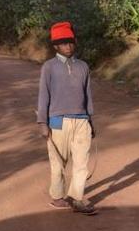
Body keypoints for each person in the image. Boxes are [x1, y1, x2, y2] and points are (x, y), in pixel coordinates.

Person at [36, 21, 97, 215]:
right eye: (63, 43)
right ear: (55, 46)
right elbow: (43, 95)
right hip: (57, 121)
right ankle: (57, 197)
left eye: (70, 42)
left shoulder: (83, 67)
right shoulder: (49, 67)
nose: (68, 46)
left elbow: (87, 94)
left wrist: (90, 120)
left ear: (75, 42)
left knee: (81, 163)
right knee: (58, 164)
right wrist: (43, 123)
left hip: (81, 120)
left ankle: (77, 198)